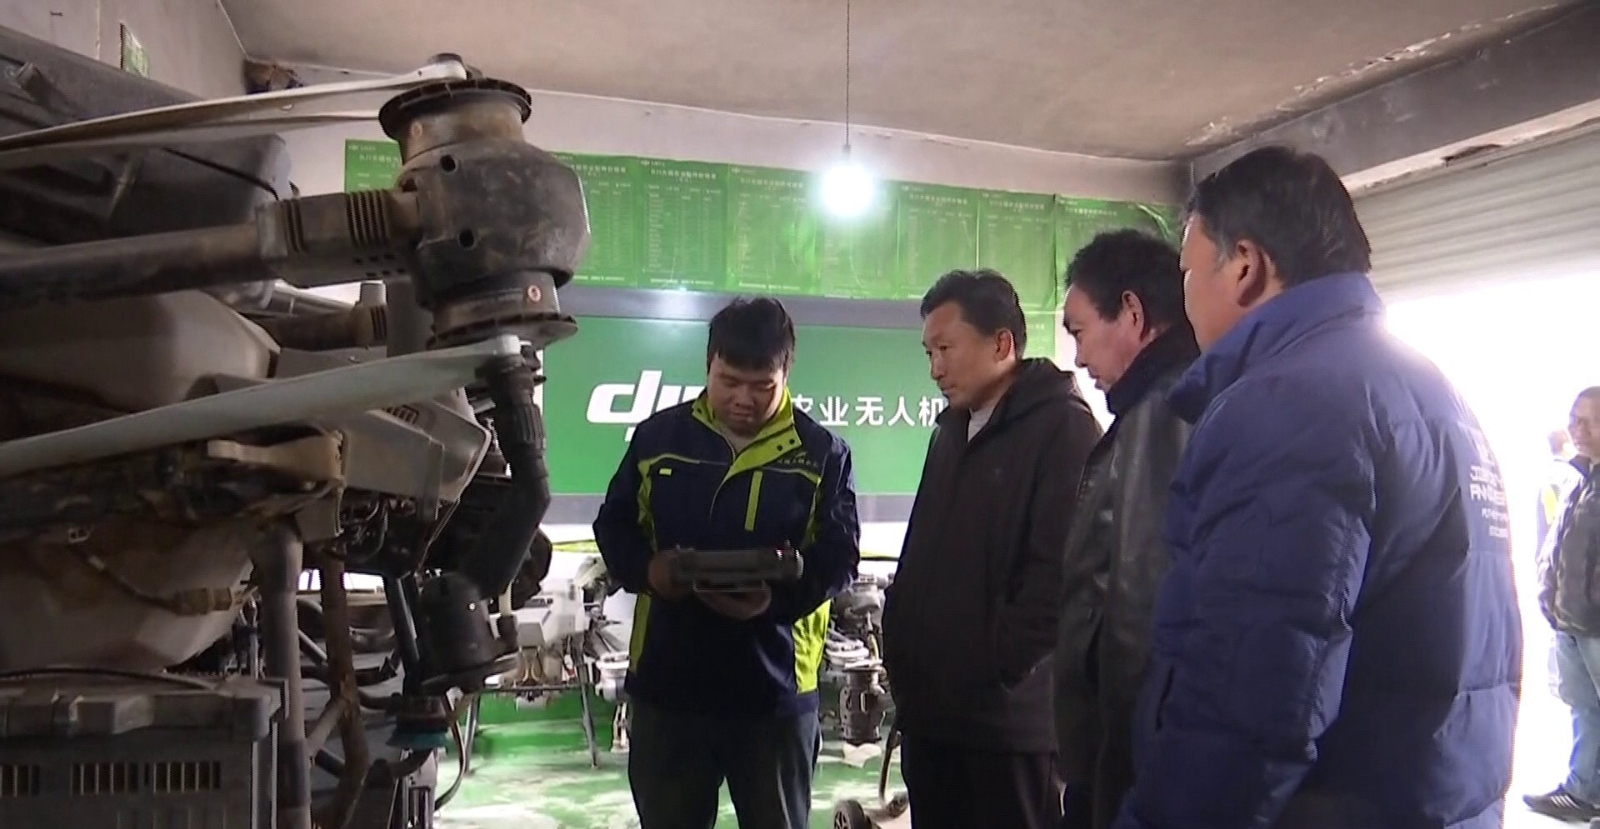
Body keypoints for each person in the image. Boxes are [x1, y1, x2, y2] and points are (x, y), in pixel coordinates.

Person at [1111, 145, 1522, 829]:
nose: (1185, 298)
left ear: (1244, 266)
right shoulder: (1428, 391)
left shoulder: (1290, 403)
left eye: (1187, 272)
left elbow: (1247, 696)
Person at [592, 297, 861, 829]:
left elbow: (839, 555)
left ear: (786, 373)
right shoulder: (658, 439)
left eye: (762, 386)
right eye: (729, 381)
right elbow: (614, 525)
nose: (743, 399)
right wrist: (649, 571)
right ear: (708, 364)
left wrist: (776, 601)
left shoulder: (821, 453)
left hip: (775, 694)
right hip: (670, 687)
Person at [881, 269, 1102, 829]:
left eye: (946, 349)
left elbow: (1059, 579)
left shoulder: (1064, 431)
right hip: (933, 721)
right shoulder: (950, 432)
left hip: (1007, 731)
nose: (935, 369)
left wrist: (994, 668)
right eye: (929, 352)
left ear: (1001, 344)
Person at [1054, 229, 1198, 829]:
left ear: (1133, 315)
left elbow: (1138, 613)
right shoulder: (1155, 408)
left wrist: (1114, 776)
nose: (1079, 358)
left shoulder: (1163, 413)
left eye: (1080, 332)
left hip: (1125, 760)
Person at [1528, 388, 1600, 823]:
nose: (1578, 429)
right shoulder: (1579, 477)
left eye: (1590, 421)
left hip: (1595, 622)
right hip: (1571, 620)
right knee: (1584, 708)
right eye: (1574, 419)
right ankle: (1583, 791)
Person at [1537, 428, 1585, 571]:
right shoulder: (1571, 475)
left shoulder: (1546, 475)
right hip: (1563, 559)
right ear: (1566, 445)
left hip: (1546, 558)